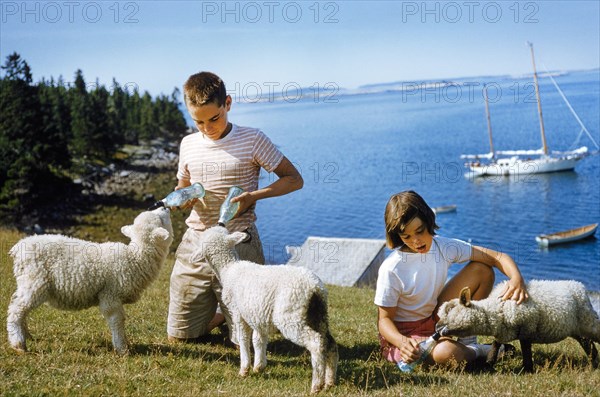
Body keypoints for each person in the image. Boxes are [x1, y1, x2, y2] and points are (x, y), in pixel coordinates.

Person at [167, 72, 303, 344]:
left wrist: (253, 196)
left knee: (247, 340)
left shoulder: (253, 139)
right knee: (180, 337)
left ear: (227, 103)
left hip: (238, 242)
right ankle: (222, 314)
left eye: (214, 119)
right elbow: (182, 185)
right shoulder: (188, 144)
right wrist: (183, 197)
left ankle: (234, 317)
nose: (207, 128)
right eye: (198, 122)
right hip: (196, 241)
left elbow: (294, 179)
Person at [375, 190, 528, 368]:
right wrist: (402, 343)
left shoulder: (443, 246)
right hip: (405, 337)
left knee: (482, 270)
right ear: (397, 235)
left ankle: (468, 337)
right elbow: (384, 321)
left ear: (428, 222)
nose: (416, 241)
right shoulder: (391, 268)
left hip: (435, 317)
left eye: (420, 231)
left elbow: (496, 257)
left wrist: (516, 278)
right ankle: (480, 351)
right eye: (406, 236)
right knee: (446, 353)